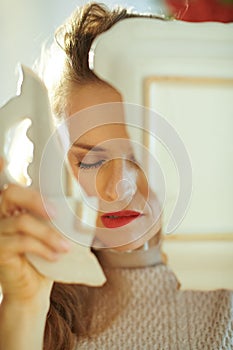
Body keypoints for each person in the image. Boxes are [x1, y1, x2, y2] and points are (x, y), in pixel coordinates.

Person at [0, 3, 232, 350]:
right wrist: (24, 308)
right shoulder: (26, 293)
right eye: (90, 162)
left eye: (143, 158)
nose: (116, 189)